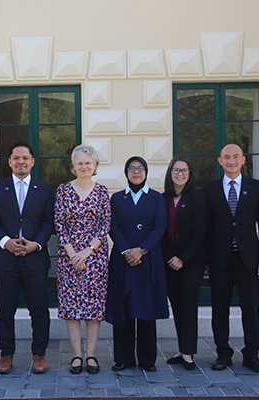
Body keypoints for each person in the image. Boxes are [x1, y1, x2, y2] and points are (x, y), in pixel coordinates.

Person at [0, 141, 54, 374]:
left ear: (32, 162)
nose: (21, 162)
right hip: (5, 259)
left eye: (25, 158)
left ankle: (39, 354)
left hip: (35, 260)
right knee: (5, 309)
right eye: (16, 158)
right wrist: (6, 242)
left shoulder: (44, 190)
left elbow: (48, 222)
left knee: (39, 309)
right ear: (9, 161)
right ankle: (6, 355)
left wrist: (36, 244)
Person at [203, 143, 259, 373]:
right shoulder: (210, 190)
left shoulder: (257, 187)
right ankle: (223, 353)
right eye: (226, 157)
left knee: (251, 307)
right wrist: (205, 261)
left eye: (235, 157)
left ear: (243, 160)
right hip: (220, 259)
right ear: (219, 161)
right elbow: (206, 229)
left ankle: (252, 354)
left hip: (248, 258)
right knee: (219, 308)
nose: (231, 161)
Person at [107, 156, 168, 372]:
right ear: (126, 173)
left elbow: (159, 227)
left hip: (147, 258)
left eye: (140, 168)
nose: (136, 172)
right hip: (122, 260)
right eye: (131, 168)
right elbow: (113, 227)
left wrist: (141, 250)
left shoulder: (156, 198)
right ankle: (123, 358)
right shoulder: (116, 199)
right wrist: (126, 251)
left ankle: (147, 359)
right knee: (123, 308)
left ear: (146, 172)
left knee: (146, 308)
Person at [55, 145, 111, 374]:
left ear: (95, 166)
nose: (84, 166)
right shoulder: (63, 190)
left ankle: (91, 355)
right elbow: (59, 223)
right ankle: (77, 355)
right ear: (73, 166)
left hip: (95, 258)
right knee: (71, 307)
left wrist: (87, 251)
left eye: (88, 163)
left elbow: (105, 224)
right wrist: (71, 252)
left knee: (93, 307)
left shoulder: (102, 191)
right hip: (68, 256)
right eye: (80, 163)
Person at [161, 156, 207, 370]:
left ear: (190, 175)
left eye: (184, 171)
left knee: (188, 305)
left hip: (191, 262)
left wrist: (182, 257)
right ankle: (182, 349)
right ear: (170, 174)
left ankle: (189, 353)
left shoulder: (198, 199)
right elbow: (160, 232)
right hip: (169, 261)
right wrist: (171, 257)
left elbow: (200, 232)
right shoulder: (162, 199)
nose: (180, 174)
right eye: (176, 170)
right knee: (177, 306)